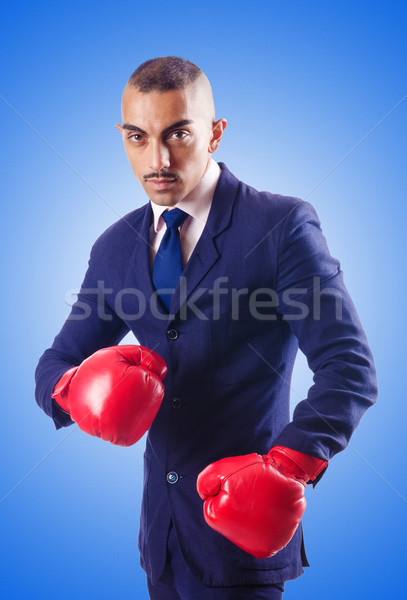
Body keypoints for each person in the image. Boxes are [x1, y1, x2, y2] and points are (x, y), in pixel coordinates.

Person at [35, 56, 378, 600]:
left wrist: (287, 465)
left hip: (242, 540)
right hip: (161, 542)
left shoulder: (282, 226)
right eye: (138, 137)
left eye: (178, 134)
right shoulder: (115, 245)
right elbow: (54, 363)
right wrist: (76, 390)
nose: (159, 158)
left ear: (215, 133)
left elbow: (350, 370)